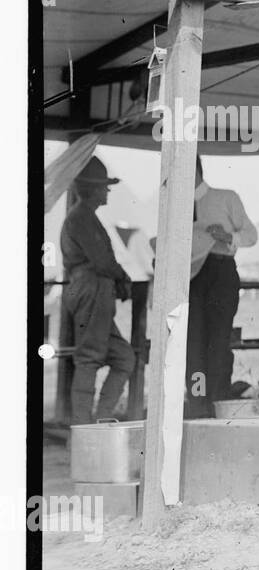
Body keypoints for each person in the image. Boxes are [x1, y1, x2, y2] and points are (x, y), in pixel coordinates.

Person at [60, 156, 135, 425]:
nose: (107, 191)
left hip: (98, 293)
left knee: (125, 358)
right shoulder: (81, 217)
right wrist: (122, 276)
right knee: (89, 358)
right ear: (92, 189)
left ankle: (102, 421)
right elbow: (102, 261)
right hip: (91, 290)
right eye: (104, 187)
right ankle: (82, 431)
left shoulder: (85, 217)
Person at [187, 156, 258, 418]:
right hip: (189, 279)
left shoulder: (226, 198)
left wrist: (228, 237)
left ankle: (218, 406)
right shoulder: (174, 204)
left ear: (193, 169)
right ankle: (197, 408)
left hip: (220, 274)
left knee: (217, 343)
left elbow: (251, 235)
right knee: (192, 346)